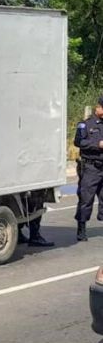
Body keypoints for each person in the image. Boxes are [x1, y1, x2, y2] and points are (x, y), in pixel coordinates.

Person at [74, 96, 103, 241]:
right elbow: (78, 142)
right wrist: (97, 144)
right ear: (98, 108)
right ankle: (81, 227)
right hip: (91, 167)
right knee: (86, 199)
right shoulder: (85, 125)